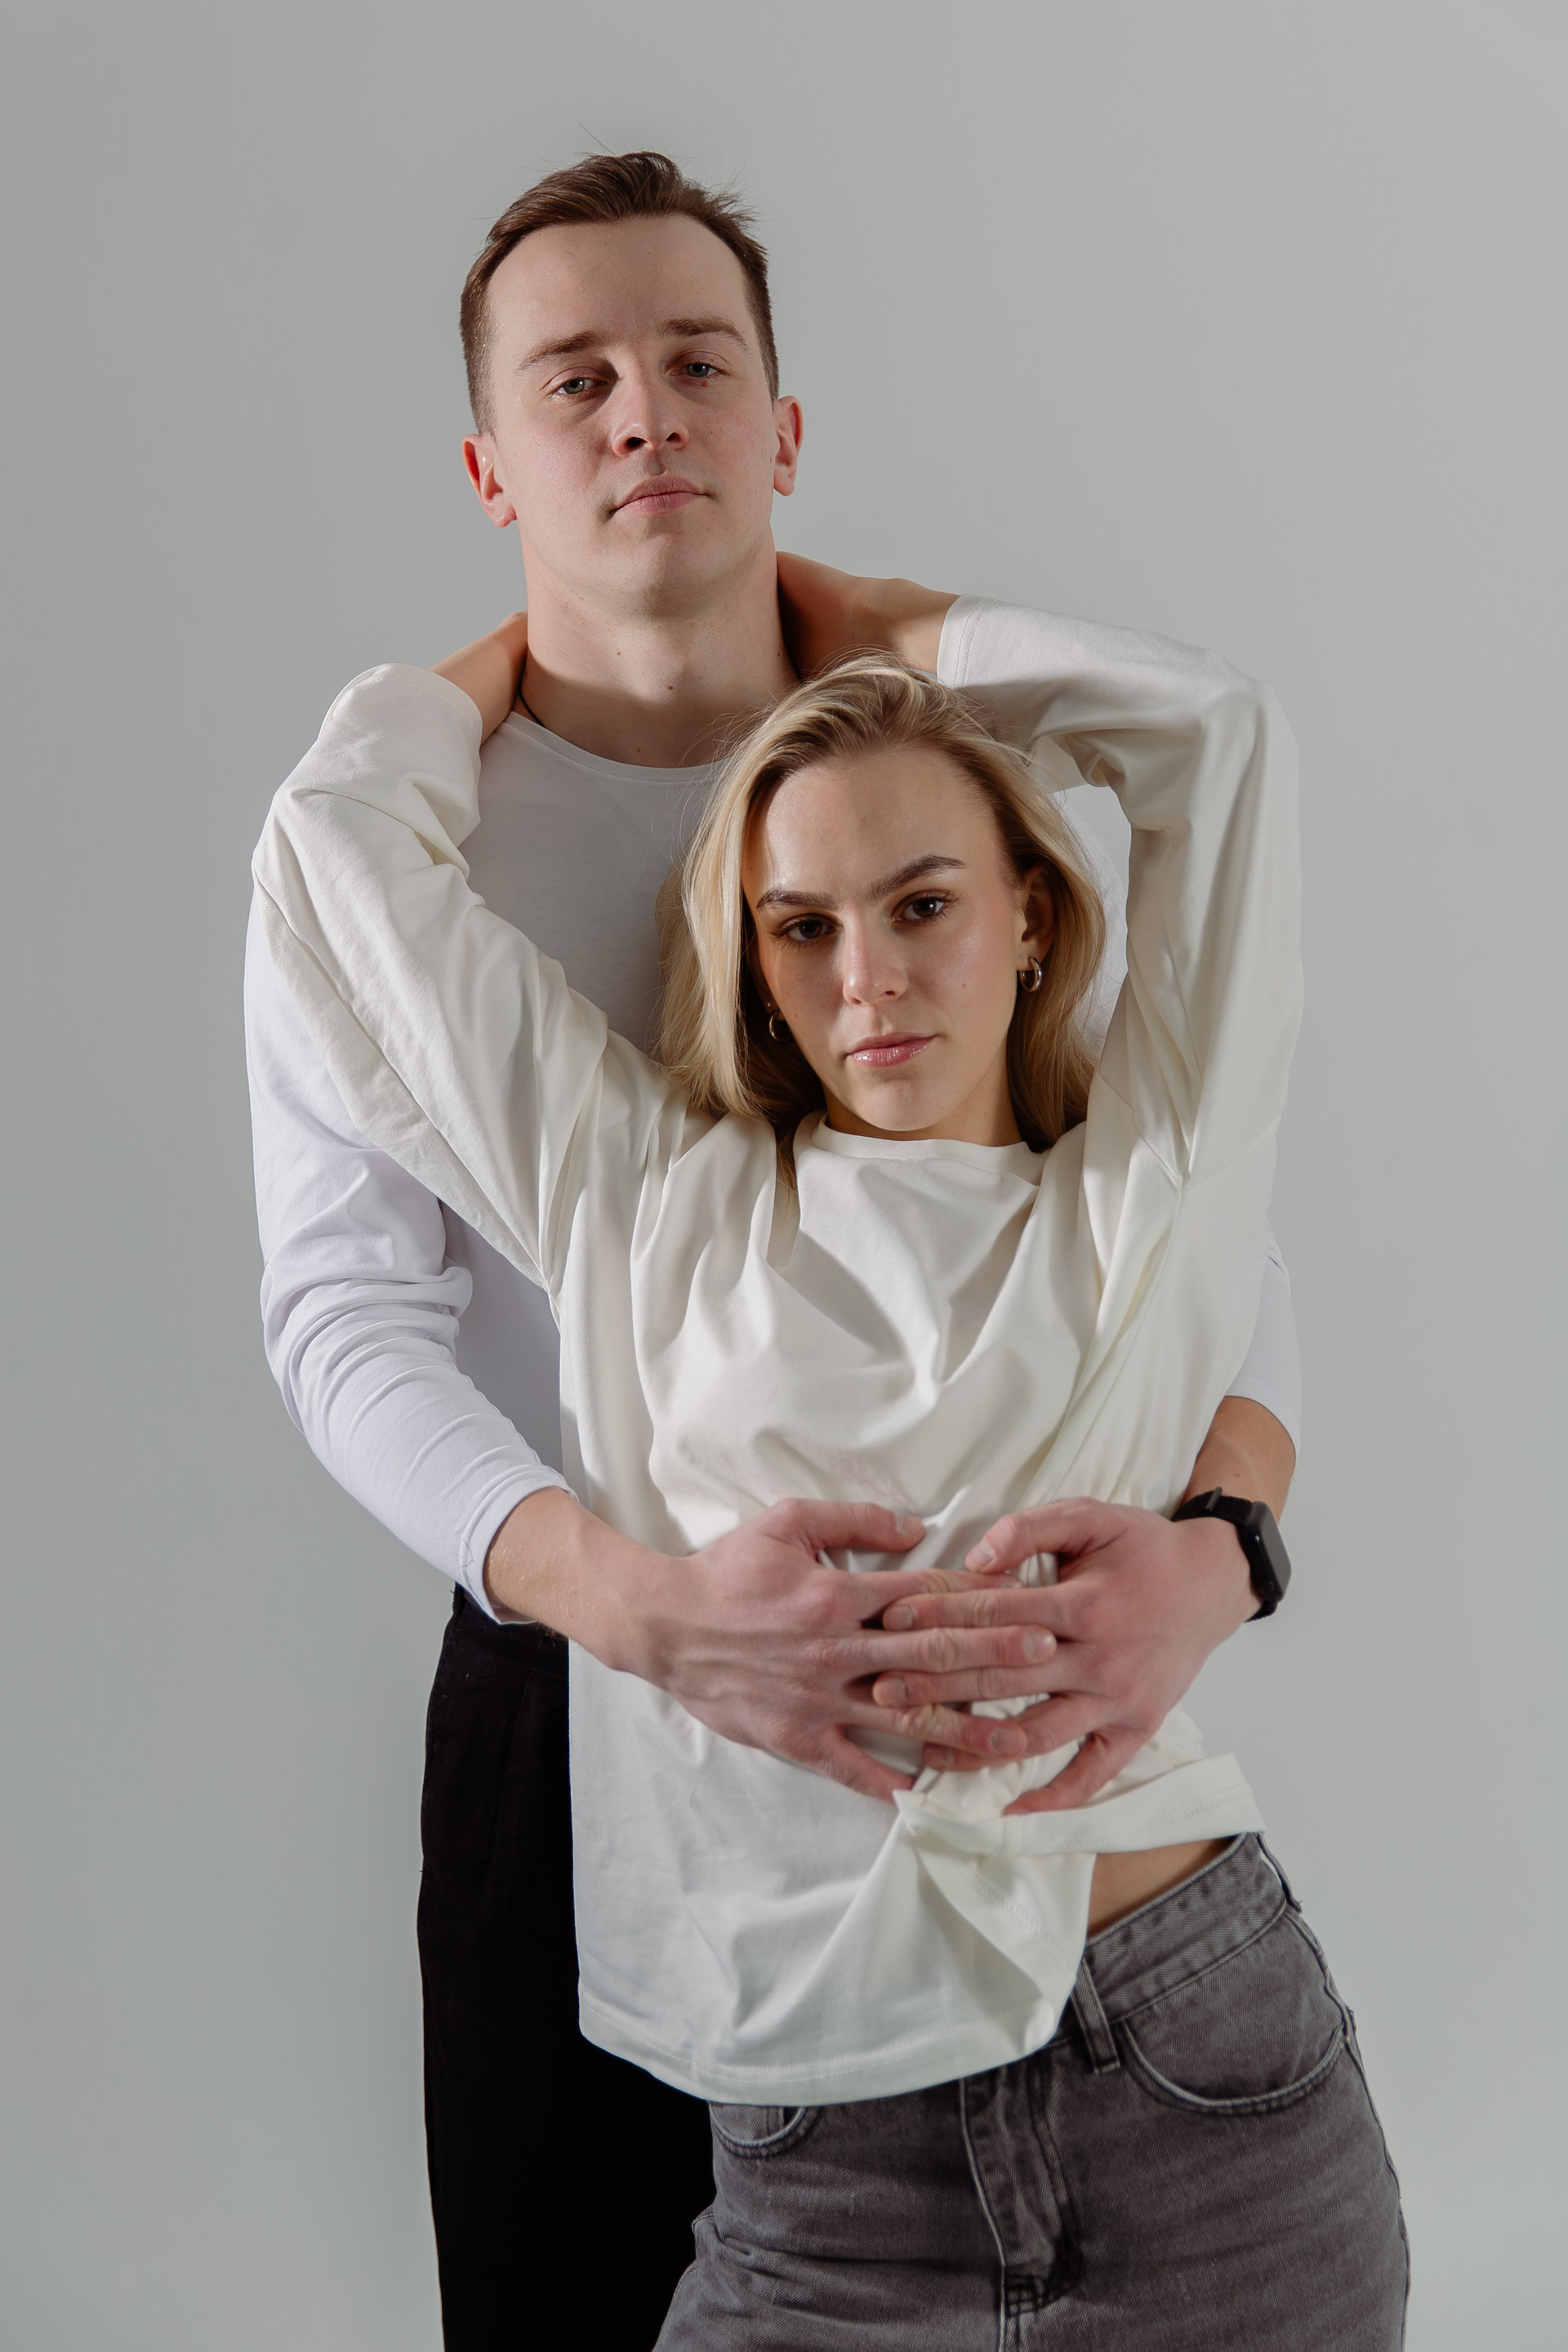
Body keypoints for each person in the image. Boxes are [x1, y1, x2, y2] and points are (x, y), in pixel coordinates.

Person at [243, 152, 1304, 2343]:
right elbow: (345, 1319)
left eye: (697, 361)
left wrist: (1227, 1548)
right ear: (489, 466)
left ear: (783, 426)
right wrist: (635, 1606)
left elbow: (1187, 1244)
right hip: (577, 1654)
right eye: (576, 380)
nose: (646, 412)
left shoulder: (944, 799)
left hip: (1018, 1684)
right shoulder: (408, 876)